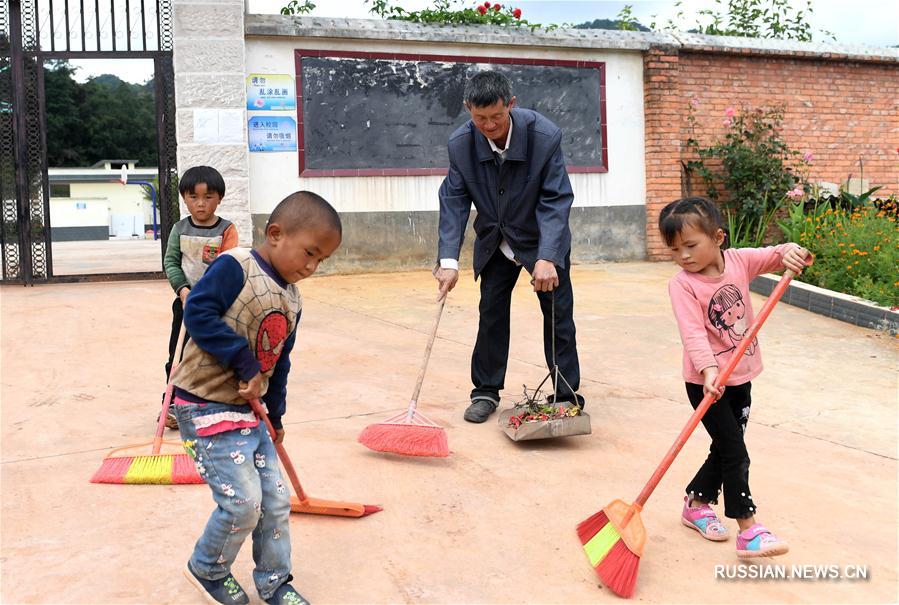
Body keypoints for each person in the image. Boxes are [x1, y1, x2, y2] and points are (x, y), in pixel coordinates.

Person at [171, 191, 342, 605]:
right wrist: (243, 362)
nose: (311, 267)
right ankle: (207, 567)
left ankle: (274, 581)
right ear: (276, 233)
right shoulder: (236, 266)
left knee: (275, 501)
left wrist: (277, 415)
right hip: (204, 404)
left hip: (251, 413)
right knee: (243, 504)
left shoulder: (292, 300)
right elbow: (199, 313)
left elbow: (278, 362)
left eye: (321, 261)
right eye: (310, 253)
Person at [659, 196, 811, 558]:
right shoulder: (683, 285)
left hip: (741, 378)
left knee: (725, 447)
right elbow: (693, 333)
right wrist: (709, 370)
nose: (684, 256)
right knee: (735, 451)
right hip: (706, 384)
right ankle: (748, 528)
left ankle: (696, 504)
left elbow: (780, 253)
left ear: (718, 237)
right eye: (675, 249)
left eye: (691, 246)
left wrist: (794, 252)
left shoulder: (740, 262)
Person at [433, 70, 585, 423]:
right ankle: (485, 391)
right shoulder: (460, 144)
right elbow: (453, 200)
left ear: (511, 105)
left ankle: (565, 394)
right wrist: (448, 260)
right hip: (495, 240)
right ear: (468, 109)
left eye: (497, 117)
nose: (489, 125)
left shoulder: (544, 137)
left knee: (557, 316)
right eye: (479, 118)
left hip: (540, 240)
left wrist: (548, 256)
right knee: (491, 314)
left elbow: (555, 199)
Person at [161, 165, 238, 429]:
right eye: (194, 197)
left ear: (220, 198)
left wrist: (211, 294)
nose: (201, 204)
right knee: (179, 355)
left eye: (208, 197)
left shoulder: (226, 230)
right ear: (184, 197)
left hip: (218, 307)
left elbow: (229, 264)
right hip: (185, 305)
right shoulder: (179, 229)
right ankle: (171, 406)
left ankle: (220, 404)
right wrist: (183, 289)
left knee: (216, 355)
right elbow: (171, 262)